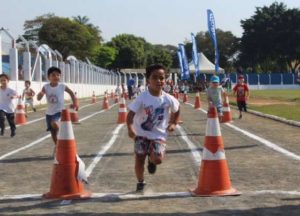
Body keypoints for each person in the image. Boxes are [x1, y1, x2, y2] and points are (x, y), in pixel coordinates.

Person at [126, 64, 180, 192]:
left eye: (161, 78)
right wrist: (130, 128)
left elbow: (177, 110)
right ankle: (140, 182)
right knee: (139, 159)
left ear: (165, 79)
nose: (158, 81)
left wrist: (173, 123)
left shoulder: (168, 99)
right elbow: (130, 115)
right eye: (154, 77)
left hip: (158, 135)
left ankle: (152, 159)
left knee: (158, 159)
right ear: (148, 79)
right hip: (141, 134)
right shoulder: (142, 97)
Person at [37, 67, 78, 153]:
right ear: (49, 77)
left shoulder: (62, 86)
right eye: (53, 75)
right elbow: (39, 97)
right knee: (53, 133)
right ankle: (57, 146)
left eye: (58, 75)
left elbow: (71, 93)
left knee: (54, 123)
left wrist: (75, 103)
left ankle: (64, 129)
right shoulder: (46, 87)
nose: (56, 76)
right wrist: (40, 95)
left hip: (60, 111)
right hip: (49, 113)